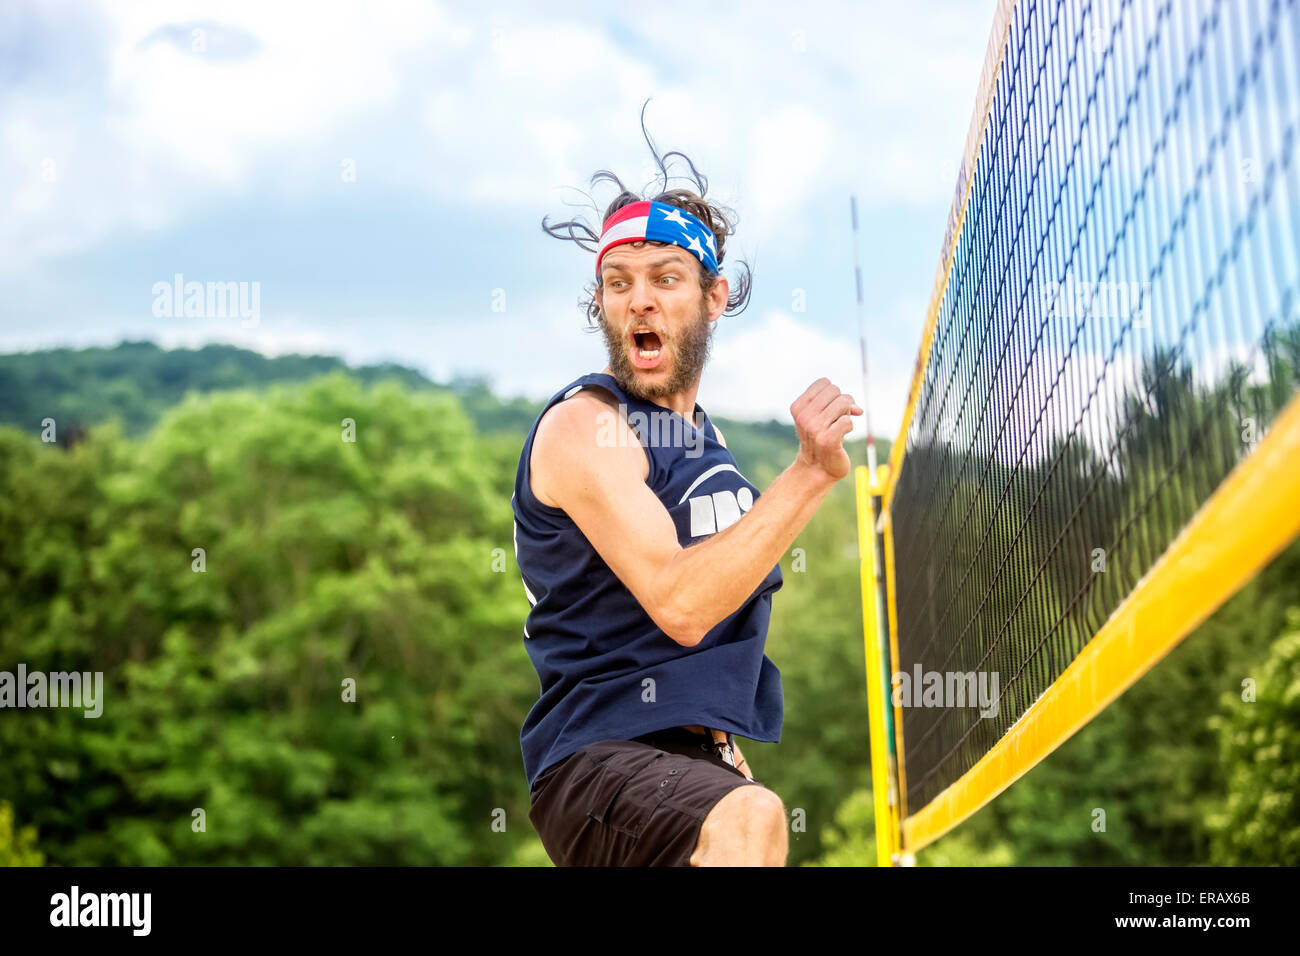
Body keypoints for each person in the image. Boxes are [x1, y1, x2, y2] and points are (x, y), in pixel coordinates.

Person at [513, 124, 862, 866]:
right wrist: (808, 475)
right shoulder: (586, 425)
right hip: (595, 759)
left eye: (665, 278)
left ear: (714, 297)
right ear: (601, 304)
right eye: (619, 283)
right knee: (751, 822)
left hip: (689, 766)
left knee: (750, 824)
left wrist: (716, 749)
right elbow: (680, 605)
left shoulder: (710, 449)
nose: (639, 301)